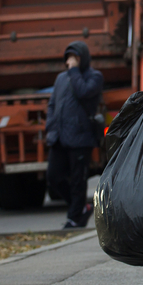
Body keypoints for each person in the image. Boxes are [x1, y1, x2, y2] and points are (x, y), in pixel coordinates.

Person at [46, 41, 103, 229]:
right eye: (69, 58)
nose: (71, 61)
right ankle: (80, 207)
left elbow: (83, 92)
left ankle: (74, 217)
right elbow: (53, 103)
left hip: (81, 137)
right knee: (53, 177)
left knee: (78, 180)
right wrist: (51, 126)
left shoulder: (94, 77)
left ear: (83, 58)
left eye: (75, 58)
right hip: (60, 136)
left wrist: (74, 71)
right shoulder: (61, 79)